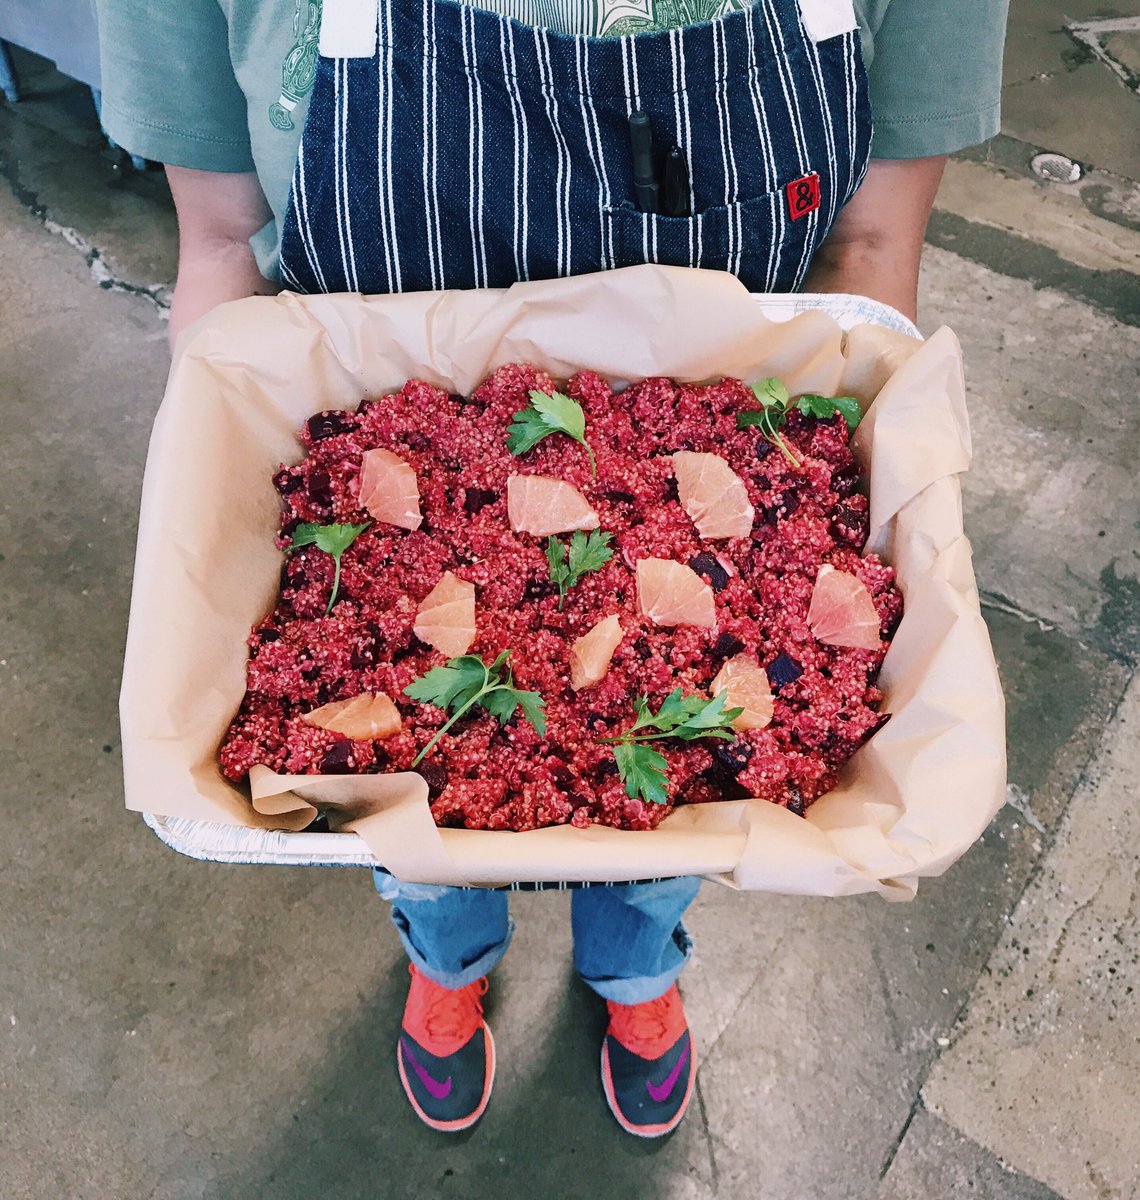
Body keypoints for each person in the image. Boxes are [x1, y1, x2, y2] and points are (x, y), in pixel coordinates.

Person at [98, 0, 1007, 1138]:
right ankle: (449, 960)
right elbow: (223, 243)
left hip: (714, 461)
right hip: (373, 445)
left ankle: (634, 977)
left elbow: (869, 259)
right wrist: (216, 495)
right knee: (412, 830)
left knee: (675, 812)